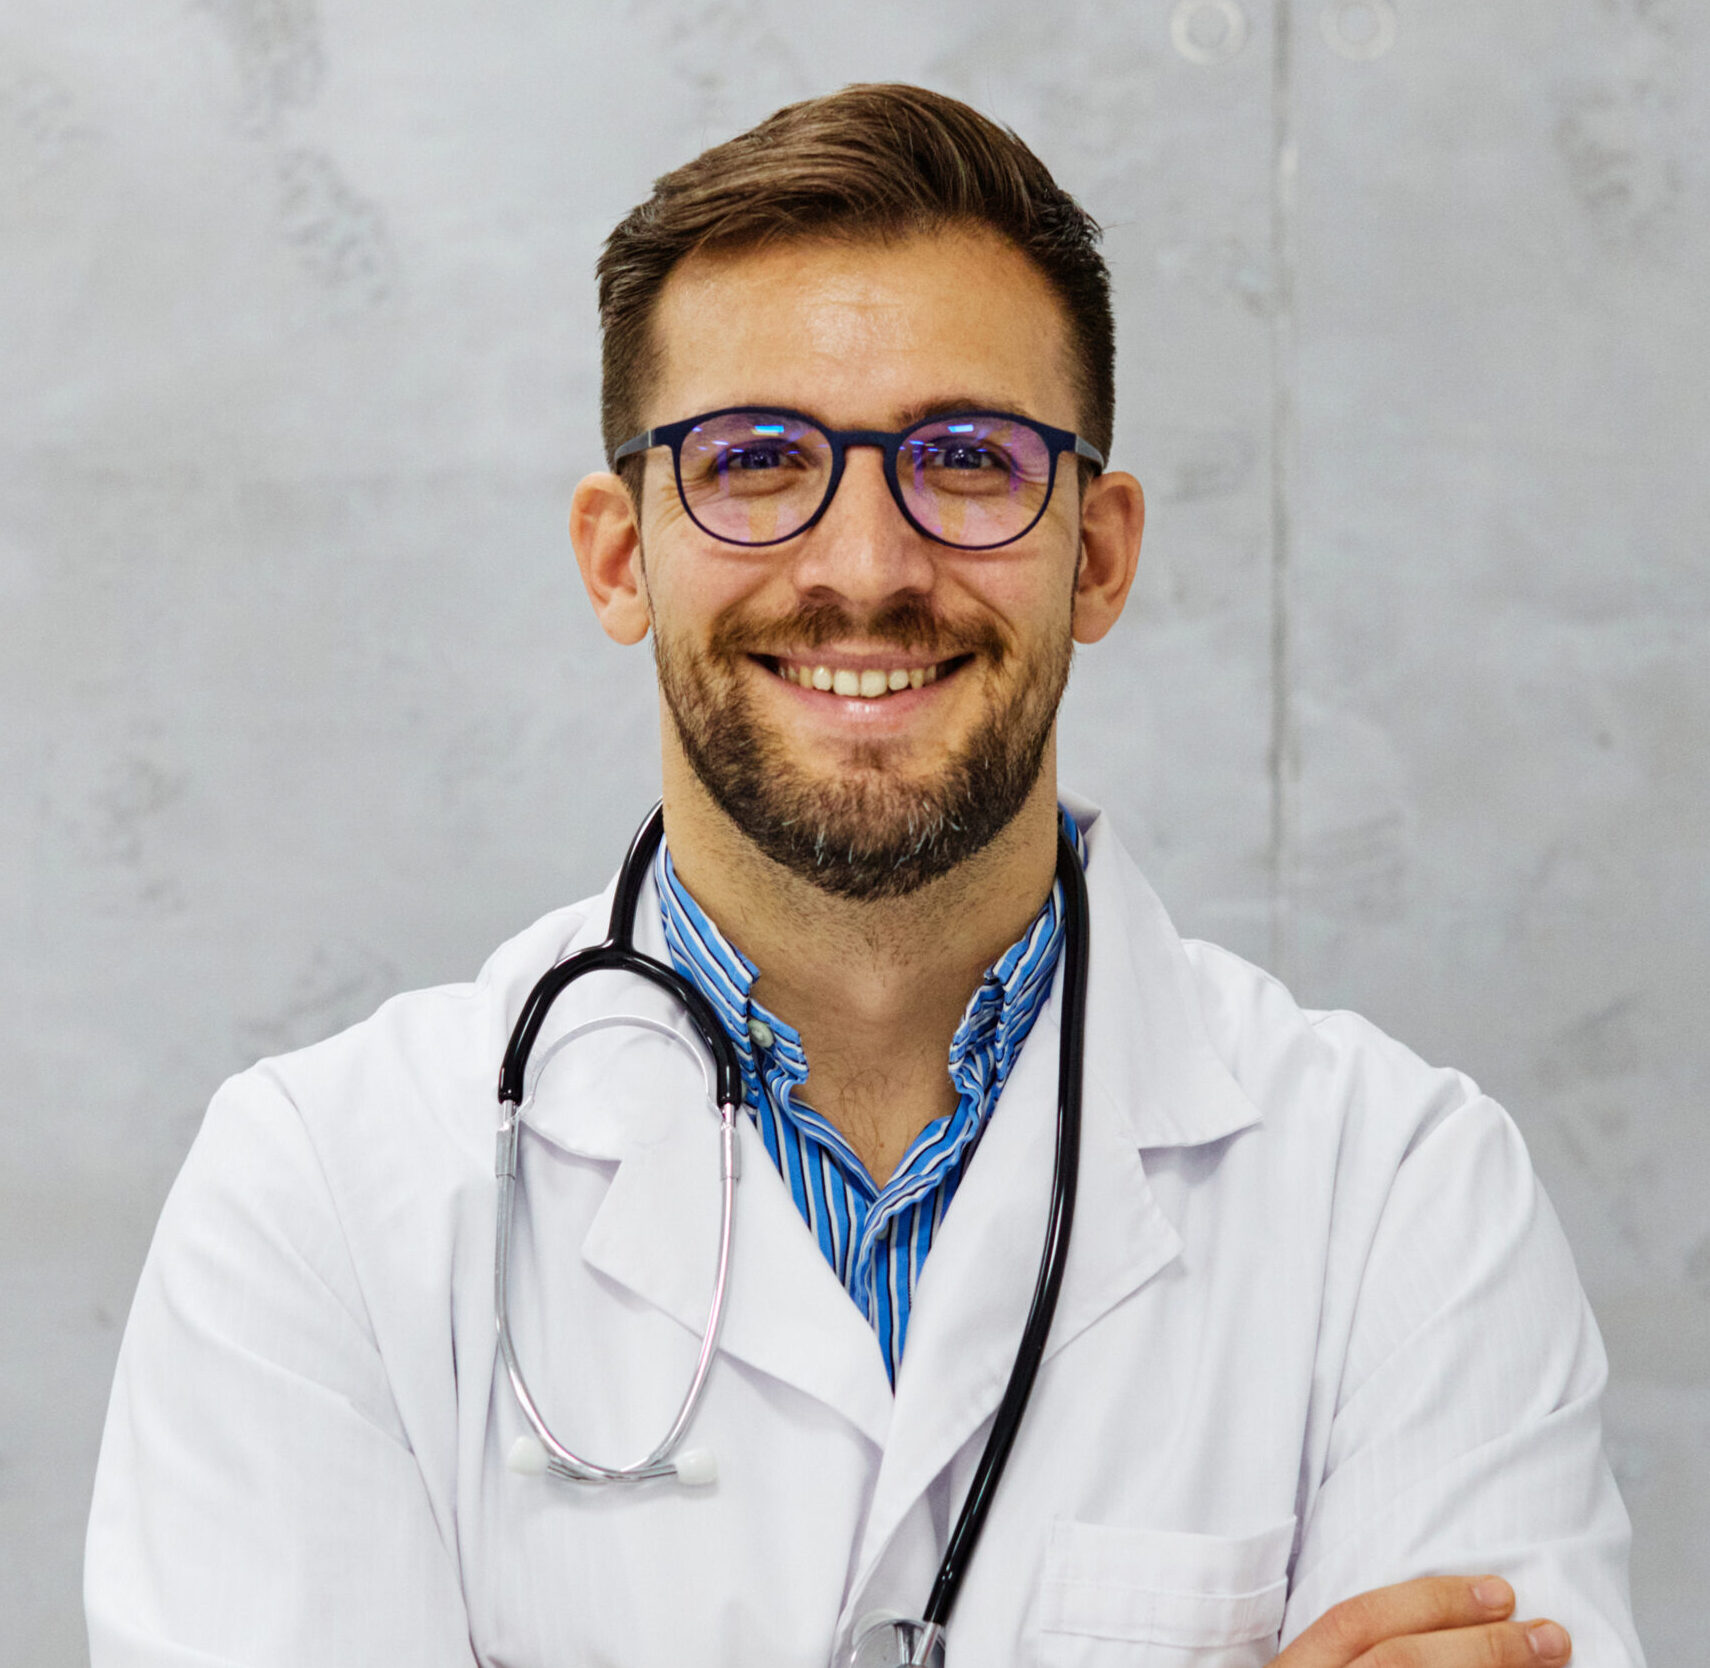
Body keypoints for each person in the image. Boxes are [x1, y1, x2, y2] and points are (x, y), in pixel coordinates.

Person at [85, 84, 1643, 1668]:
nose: (864, 567)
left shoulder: (1399, 1203)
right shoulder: (319, 1199)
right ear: (621, 554)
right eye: (756, 459)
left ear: (1093, 552)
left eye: (963, 458)